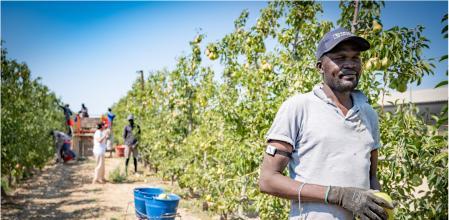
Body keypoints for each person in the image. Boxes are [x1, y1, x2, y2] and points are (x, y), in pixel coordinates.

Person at [259, 28, 393, 220]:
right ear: (320, 66)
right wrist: (338, 195)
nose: (350, 64)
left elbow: (371, 178)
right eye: (340, 58)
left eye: (355, 58)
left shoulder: (368, 114)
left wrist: (379, 210)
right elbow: (268, 180)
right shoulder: (298, 108)